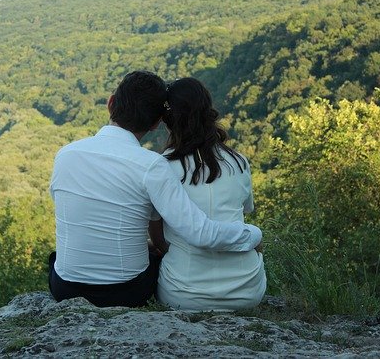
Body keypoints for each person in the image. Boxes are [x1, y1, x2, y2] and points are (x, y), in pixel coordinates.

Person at [48, 70, 262, 308]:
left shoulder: (64, 155)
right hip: (126, 292)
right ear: (155, 124)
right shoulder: (151, 165)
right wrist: (253, 234)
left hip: (64, 288)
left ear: (110, 103)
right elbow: (199, 232)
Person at [152, 77, 266, 311]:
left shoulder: (162, 167)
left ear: (167, 120)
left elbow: (158, 236)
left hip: (182, 293)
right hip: (246, 291)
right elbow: (243, 212)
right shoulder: (239, 162)